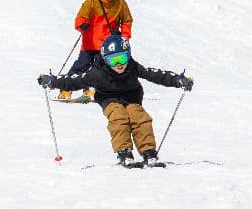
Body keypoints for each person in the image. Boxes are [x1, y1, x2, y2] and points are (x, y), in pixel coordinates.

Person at [38, 35, 193, 168]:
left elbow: (155, 74)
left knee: (140, 118)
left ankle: (149, 152)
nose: (119, 64)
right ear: (105, 60)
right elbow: (73, 81)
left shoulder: (132, 67)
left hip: (131, 97)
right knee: (118, 117)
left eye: (122, 58)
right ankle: (124, 152)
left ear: (128, 55)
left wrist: (178, 80)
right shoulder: (96, 74)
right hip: (109, 98)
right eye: (113, 60)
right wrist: (51, 81)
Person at [59, 0, 133, 101]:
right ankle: (66, 89)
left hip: (108, 44)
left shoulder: (120, 4)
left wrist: (124, 37)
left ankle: (91, 90)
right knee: (81, 65)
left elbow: (127, 21)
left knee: (101, 69)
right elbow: (80, 18)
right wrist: (82, 24)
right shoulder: (91, 2)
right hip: (90, 42)